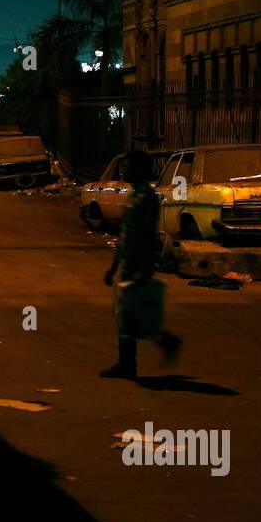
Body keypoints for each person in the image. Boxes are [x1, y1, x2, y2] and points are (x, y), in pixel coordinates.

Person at [100, 149, 182, 379]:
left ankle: (137, 358)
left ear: (141, 169)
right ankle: (147, 351)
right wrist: (114, 266)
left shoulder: (146, 196)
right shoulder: (135, 194)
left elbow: (146, 234)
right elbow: (127, 233)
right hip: (129, 262)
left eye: (129, 166)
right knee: (129, 313)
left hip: (137, 263)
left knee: (129, 314)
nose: (124, 170)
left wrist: (142, 266)